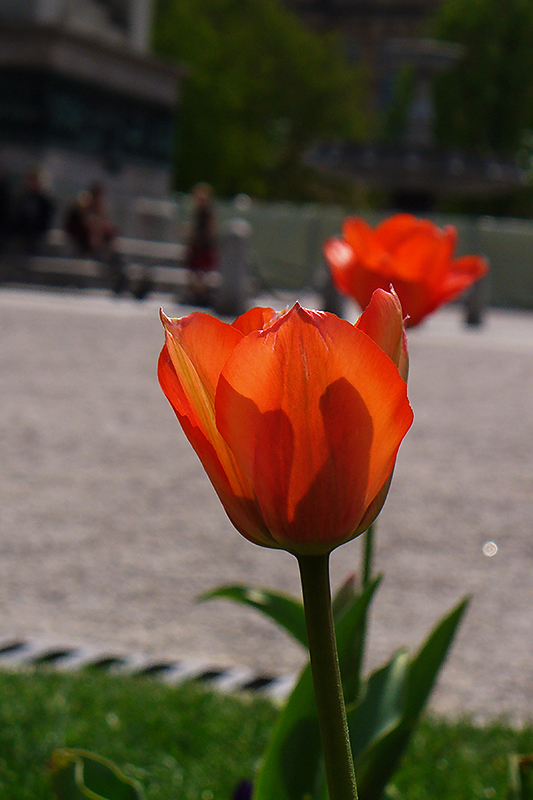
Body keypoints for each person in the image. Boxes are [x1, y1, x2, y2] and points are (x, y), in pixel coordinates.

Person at [64, 181, 127, 295]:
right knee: (105, 257)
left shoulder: (100, 208)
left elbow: (106, 226)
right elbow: (87, 224)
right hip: (83, 242)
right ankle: (116, 278)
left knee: (114, 255)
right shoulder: (84, 203)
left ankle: (120, 276)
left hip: (98, 244)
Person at [183, 182, 218, 306]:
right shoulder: (198, 212)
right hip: (198, 247)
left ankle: (202, 297)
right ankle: (199, 295)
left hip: (203, 247)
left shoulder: (207, 213)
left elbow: (209, 229)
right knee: (196, 274)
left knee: (201, 274)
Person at [10, 170, 55, 255]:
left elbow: (45, 221)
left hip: (37, 234)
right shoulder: (22, 198)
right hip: (20, 232)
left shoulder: (45, 202)